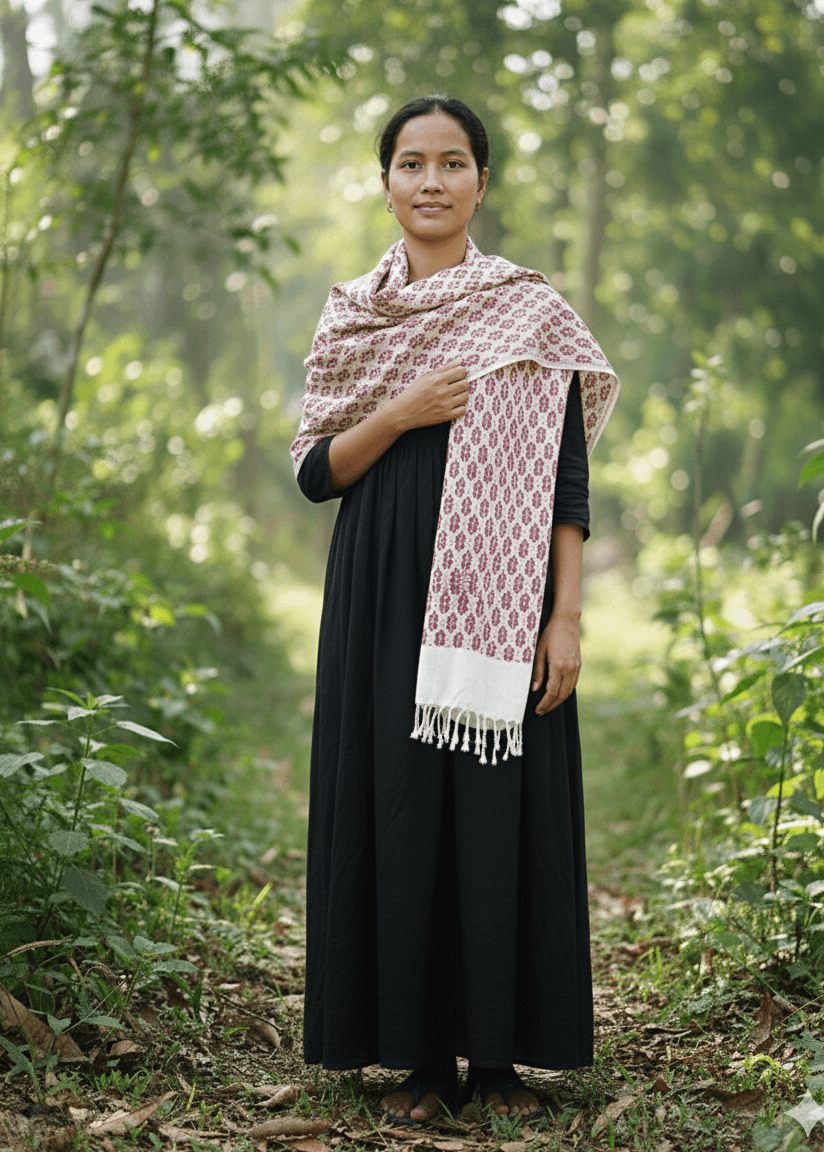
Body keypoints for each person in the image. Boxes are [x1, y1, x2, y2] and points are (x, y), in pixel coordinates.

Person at [291, 95, 618, 1124]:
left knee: (497, 807)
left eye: (453, 162)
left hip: (506, 597)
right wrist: (403, 409)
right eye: (410, 163)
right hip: (382, 590)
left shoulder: (531, 312)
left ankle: (504, 1059)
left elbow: (566, 480)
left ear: (483, 181)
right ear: (384, 181)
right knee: (399, 803)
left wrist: (563, 618)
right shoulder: (354, 313)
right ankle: (423, 1061)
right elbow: (314, 473)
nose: (430, 181)